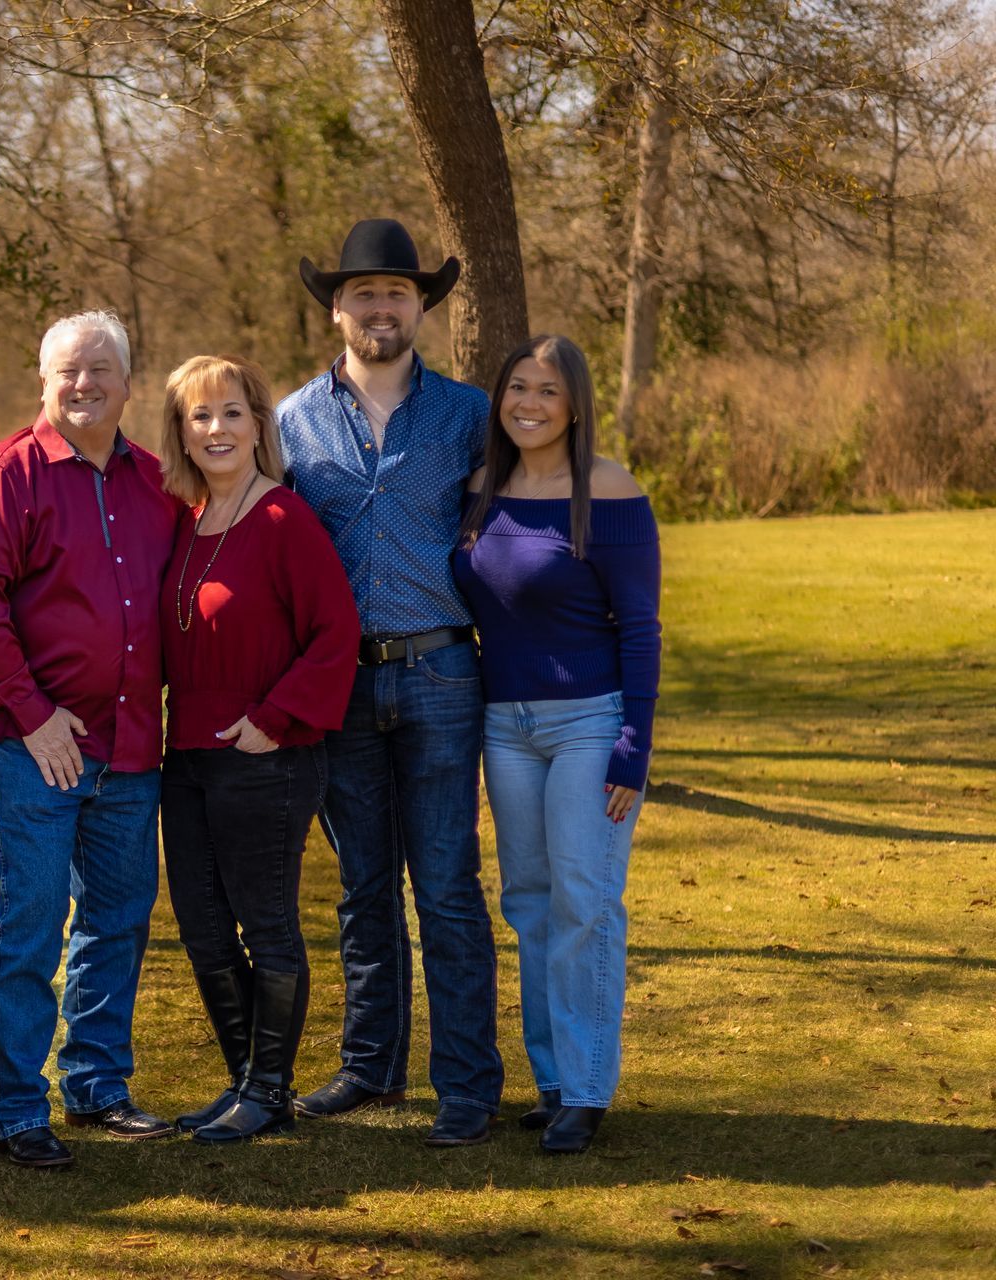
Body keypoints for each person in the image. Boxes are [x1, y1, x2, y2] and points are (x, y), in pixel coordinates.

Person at [276, 218, 504, 1146]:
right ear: (336, 308)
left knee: (445, 884)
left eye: (398, 293)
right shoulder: (289, 421)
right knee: (364, 888)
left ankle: (467, 1086)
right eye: (364, 293)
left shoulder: (466, 414)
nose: (381, 307)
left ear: (423, 307)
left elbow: (512, 535)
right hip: (341, 686)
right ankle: (370, 1068)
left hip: (443, 670)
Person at [0, 310, 182, 1169]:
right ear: (43, 382)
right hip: (36, 743)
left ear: (129, 382)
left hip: (131, 746)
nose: (83, 385)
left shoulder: (156, 481)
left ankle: (96, 1083)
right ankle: (16, 1105)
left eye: (100, 371)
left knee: (117, 922)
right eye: (67, 373)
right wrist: (35, 715)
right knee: (31, 927)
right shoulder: (4, 477)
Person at [452, 335, 661, 1155]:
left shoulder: (606, 490)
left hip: (588, 722)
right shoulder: (479, 488)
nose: (529, 403)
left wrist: (632, 743)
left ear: (574, 405)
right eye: (517, 388)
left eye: (547, 391)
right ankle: (551, 1081)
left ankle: (586, 1089)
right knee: (529, 904)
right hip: (505, 725)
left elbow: (640, 626)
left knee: (584, 900)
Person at [155, 355, 361, 1143]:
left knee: (266, 925)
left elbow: (333, 634)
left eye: (232, 413)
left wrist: (271, 719)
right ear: (181, 431)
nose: (217, 429)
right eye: (199, 416)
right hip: (189, 757)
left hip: (264, 753)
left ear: (258, 424)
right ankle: (245, 1080)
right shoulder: (189, 519)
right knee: (204, 931)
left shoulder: (283, 519)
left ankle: (269, 1090)